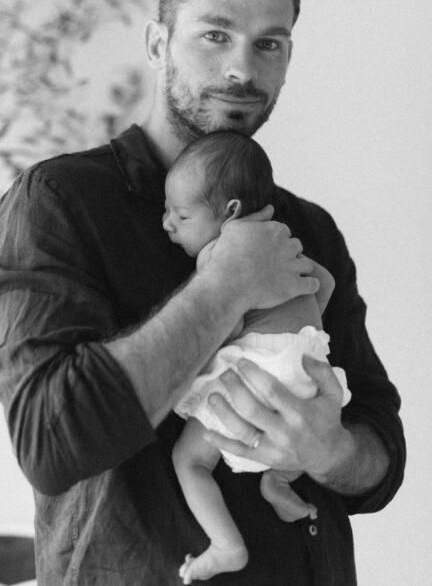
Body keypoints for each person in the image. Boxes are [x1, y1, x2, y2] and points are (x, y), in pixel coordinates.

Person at [0, 0, 405, 585]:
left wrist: (331, 449)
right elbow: (49, 441)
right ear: (157, 43)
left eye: (269, 44)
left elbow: (381, 451)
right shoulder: (59, 203)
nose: (242, 67)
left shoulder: (311, 229)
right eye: (215, 34)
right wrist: (224, 286)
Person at [163, 132, 351, 583]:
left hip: (259, 364)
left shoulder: (220, 252)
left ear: (228, 212)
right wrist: (300, 328)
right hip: (306, 360)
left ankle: (226, 545)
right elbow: (323, 281)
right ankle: (280, 481)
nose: (167, 223)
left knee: (190, 461)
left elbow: (220, 323)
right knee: (292, 436)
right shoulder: (283, 239)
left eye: (182, 214)